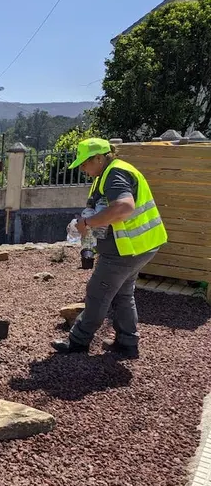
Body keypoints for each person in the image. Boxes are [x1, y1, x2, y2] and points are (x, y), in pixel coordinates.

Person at [51, 138, 167, 359]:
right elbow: (102, 209)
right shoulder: (107, 174)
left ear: (99, 157)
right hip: (142, 246)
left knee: (97, 293)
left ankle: (78, 341)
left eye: (85, 164)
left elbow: (124, 207)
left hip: (125, 250)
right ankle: (127, 343)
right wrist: (87, 222)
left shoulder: (115, 174)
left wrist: (87, 224)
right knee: (123, 294)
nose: (83, 169)